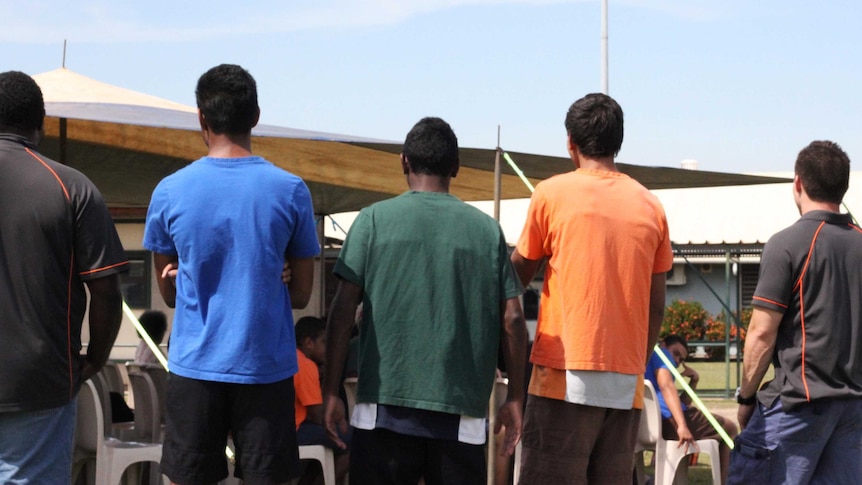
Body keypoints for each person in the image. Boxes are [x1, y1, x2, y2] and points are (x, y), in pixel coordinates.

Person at [322, 117, 528, 485]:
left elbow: (340, 313)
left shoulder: (372, 221)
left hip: (382, 409)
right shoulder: (486, 231)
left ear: (403, 161)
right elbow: (513, 318)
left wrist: (331, 390)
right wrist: (515, 397)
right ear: (456, 167)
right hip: (460, 413)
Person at [143, 64, 319, 485]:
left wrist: (187, 272)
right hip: (265, 369)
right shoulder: (290, 189)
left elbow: (168, 294)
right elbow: (301, 294)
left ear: (201, 118)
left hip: (194, 369)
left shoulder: (170, 190)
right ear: (256, 115)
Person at [510, 93, 673, 484]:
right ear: (619, 142)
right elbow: (656, 305)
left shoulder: (551, 194)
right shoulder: (651, 206)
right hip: (625, 382)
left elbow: (514, 275)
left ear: (571, 142)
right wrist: (636, 362)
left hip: (563, 374)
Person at [0, 71, 127, 482]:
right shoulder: (71, 186)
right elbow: (106, 293)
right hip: (39, 380)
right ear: (41, 124)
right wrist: (97, 358)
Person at [728, 141, 862, 484]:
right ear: (843, 186)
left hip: (798, 403)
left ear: (798, 182)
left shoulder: (789, 243)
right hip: (852, 410)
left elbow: (761, 331)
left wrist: (746, 396)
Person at [646, 335, 737, 484]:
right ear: (663, 344)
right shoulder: (662, 354)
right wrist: (682, 425)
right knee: (731, 428)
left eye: (681, 360)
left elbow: (680, 404)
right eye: (676, 353)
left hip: (652, 423)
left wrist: (693, 382)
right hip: (671, 422)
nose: (677, 361)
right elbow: (666, 386)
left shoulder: (646, 357)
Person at [294, 316, 350, 484]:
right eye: (325, 343)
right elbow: (317, 415)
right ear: (309, 343)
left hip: (281, 430)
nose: (328, 349)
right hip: (295, 432)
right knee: (357, 441)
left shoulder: (290, 357)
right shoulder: (305, 364)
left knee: (330, 442)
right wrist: (338, 417)